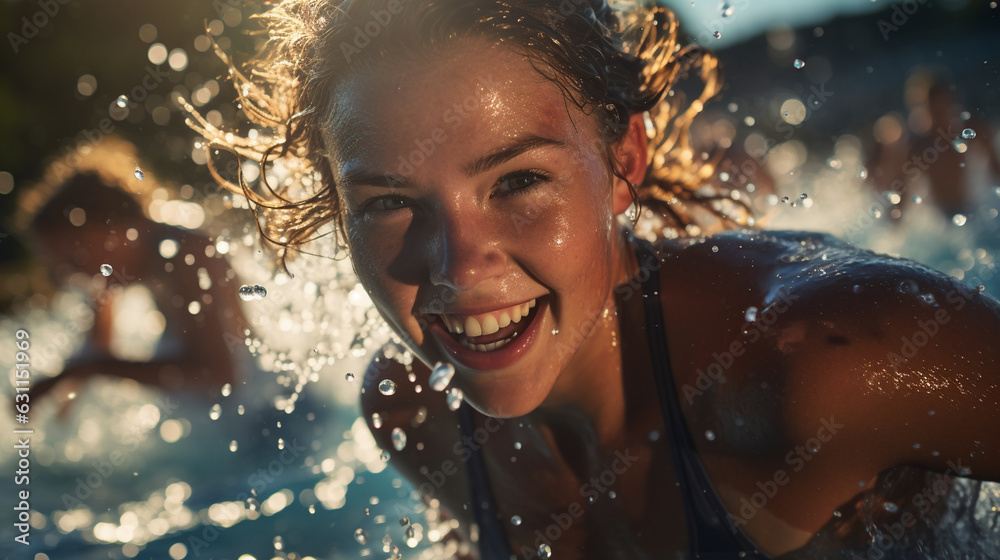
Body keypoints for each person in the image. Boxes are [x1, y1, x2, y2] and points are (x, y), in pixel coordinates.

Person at [188, 1, 1000, 558]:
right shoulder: (412, 410)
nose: (459, 268)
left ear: (623, 161)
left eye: (516, 182)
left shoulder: (822, 364)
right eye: (392, 204)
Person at [15, 137, 248, 416]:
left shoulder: (186, 254)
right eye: (62, 269)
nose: (74, 277)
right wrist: (63, 394)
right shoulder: (111, 267)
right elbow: (98, 346)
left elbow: (220, 373)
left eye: (76, 259)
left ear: (114, 227)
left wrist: (85, 370)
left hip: (266, 411)